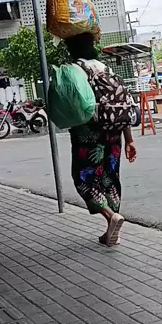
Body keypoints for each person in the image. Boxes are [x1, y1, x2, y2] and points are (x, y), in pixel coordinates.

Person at [64, 33, 137, 247]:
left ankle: (111, 216)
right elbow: (120, 105)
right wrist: (130, 140)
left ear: (71, 49)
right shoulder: (106, 69)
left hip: (88, 134)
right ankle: (111, 232)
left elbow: (72, 105)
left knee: (84, 178)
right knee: (110, 178)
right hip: (114, 132)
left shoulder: (74, 70)